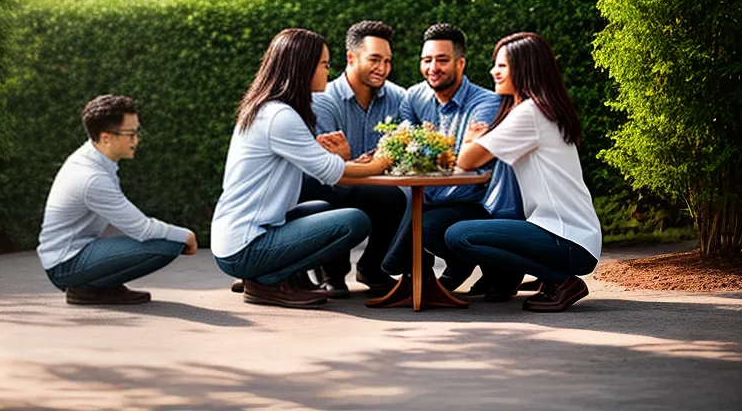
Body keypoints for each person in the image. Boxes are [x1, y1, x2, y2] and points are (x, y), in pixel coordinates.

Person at [211, 28, 392, 308]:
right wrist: (381, 163)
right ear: (302, 67)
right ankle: (267, 280)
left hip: (240, 236)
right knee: (354, 221)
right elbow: (334, 173)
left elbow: (311, 160)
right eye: (323, 64)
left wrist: (322, 148)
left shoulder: (269, 109)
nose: (326, 71)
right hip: (244, 247)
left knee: (320, 208)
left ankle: (266, 275)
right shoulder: (280, 116)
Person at [448, 32, 602, 312]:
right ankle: (551, 277)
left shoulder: (529, 113)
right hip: (574, 236)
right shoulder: (540, 109)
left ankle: (560, 281)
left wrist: (472, 138)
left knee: (458, 235)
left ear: (525, 68)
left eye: (502, 66)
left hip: (566, 239)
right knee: (468, 229)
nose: (493, 71)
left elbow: (468, 161)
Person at [382, 22, 522, 297]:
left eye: (442, 60)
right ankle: (456, 265)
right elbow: (404, 145)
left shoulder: (486, 102)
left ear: (460, 64)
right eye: (427, 60)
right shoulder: (414, 97)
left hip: (475, 200)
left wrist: (426, 149)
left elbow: (467, 159)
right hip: (434, 196)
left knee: (426, 225)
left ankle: (499, 269)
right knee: (403, 206)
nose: (433, 67)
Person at [37, 94, 197, 306]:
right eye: (130, 134)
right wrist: (186, 236)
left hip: (73, 253)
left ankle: (102, 287)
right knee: (167, 245)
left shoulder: (93, 158)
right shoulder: (92, 177)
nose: (136, 140)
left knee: (163, 240)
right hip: (66, 264)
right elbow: (143, 229)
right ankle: (87, 289)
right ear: (106, 138)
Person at [302, 20, 407, 298]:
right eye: (374, 59)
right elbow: (327, 164)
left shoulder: (399, 98)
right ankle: (332, 273)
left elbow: (400, 149)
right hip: (332, 182)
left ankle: (373, 267)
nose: (382, 68)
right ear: (351, 57)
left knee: (394, 196)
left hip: (373, 183)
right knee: (325, 192)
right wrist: (357, 161)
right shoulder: (324, 99)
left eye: (387, 61)